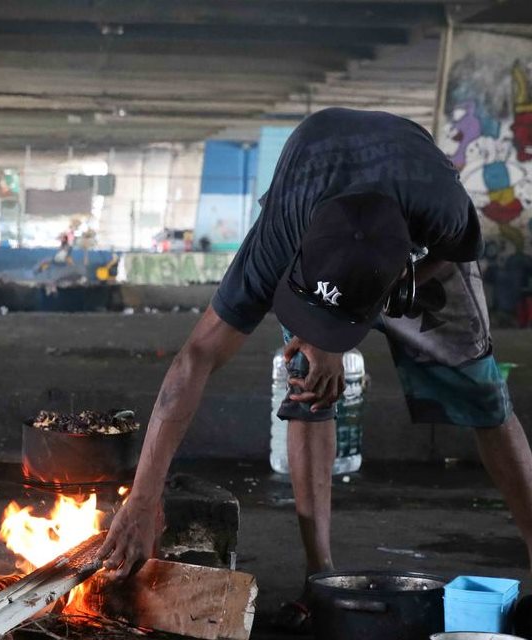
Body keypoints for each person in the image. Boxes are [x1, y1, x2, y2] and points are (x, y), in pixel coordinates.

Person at [98, 108, 532, 628]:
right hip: (318, 187)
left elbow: (455, 251)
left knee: (482, 396)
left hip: (408, 234)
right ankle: (320, 576)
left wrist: (400, 286)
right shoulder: (278, 238)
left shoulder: (442, 207)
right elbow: (196, 357)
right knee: (307, 380)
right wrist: (144, 498)